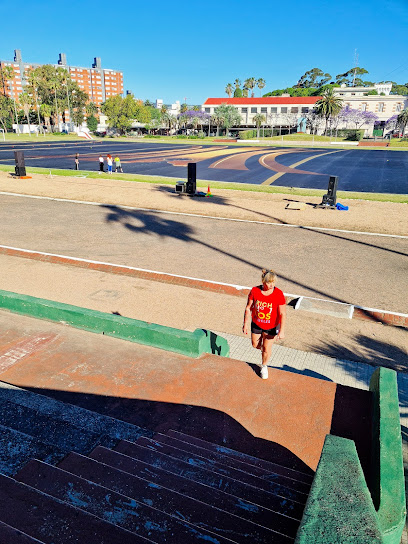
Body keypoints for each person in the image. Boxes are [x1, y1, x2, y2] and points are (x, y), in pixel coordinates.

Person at [243, 269, 286, 380]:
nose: (272, 285)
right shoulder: (254, 291)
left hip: (272, 326)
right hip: (257, 324)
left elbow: (282, 313)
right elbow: (248, 308)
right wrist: (245, 324)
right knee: (255, 345)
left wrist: (282, 330)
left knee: (267, 348)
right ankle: (264, 349)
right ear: (263, 281)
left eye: (273, 282)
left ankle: (264, 366)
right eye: (269, 282)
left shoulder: (278, 294)